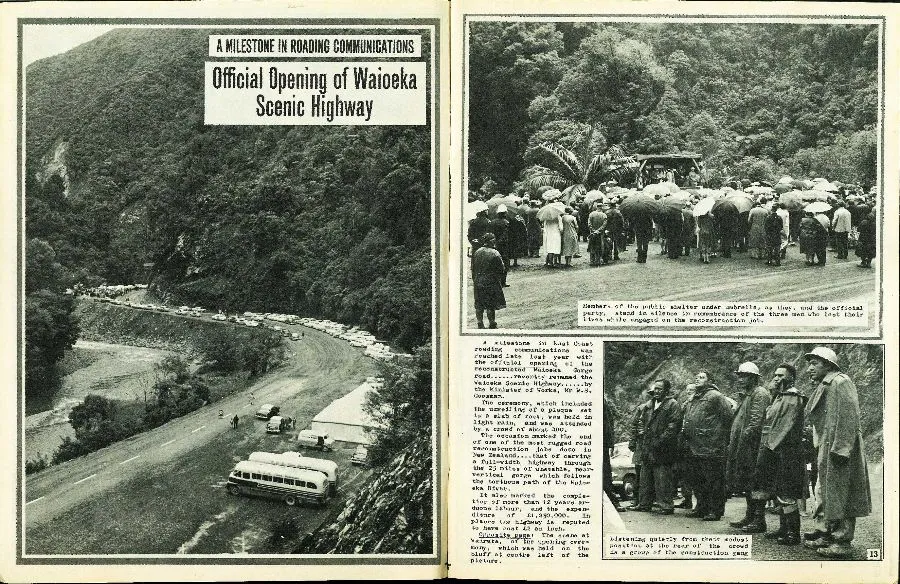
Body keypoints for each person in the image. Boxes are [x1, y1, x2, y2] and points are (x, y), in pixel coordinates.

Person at [802, 347, 872, 559]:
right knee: (827, 491)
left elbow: (849, 417)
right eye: (809, 363)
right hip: (828, 444)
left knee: (844, 493)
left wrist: (841, 448)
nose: (810, 368)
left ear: (828, 364)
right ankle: (829, 534)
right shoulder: (827, 384)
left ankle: (842, 542)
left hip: (840, 447)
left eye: (815, 363)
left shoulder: (841, 382)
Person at [746, 363, 807, 544]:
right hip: (776, 450)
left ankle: (792, 534)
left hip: (787, 452)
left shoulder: (792, 398)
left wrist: (769, 450)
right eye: (775, 375)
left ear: (791, 378)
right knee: (779, 490)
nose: (777, 378)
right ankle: (783, 529)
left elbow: (783, 428)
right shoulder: (779, 397)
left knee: (787, 491)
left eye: (781, 375)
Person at [681, 371, 734, 520]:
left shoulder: (716, 396)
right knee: (698, 479)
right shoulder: (695, 397)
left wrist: (717, 436)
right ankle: (702, 507)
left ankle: (715, 510)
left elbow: (729, 417)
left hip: (711, 446)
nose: (697, 379)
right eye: (696, 377)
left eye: (702, 377)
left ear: (710, 381)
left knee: (714, 480)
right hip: (694, 446)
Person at [726, 362, 772, 529]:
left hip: (753, 447)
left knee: (755, 481)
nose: (740, 379)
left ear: (753, 378)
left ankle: (759, 519)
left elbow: (756, 423)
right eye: (739, 376)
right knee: (747, 482)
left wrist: (743, 443)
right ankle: (750, 516)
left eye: (744, 376)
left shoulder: (759, 394)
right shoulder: (747, 395)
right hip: (744, 446)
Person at [635, 379, 683, 515]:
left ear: (667, 391)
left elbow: (673, 427)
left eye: (660, 389)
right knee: (645, 477)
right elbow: (641, 421)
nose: (656, 391)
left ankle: (666, 505)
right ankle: (644, 504)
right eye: (655, 389)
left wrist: (659, 441)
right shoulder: (649, 405)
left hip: (664, 448)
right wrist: (642, 434)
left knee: (662, 478)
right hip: (647, 446)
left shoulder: (673, 405)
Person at [471, 232, 506, 329]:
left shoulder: (477, 252)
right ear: (492, 241)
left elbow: (473, 268)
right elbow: (501, 269)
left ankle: (480, 323)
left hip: (478, 281)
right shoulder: (495, 253)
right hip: (490, 281)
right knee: (490, 304)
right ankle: (492, 322)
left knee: (479, 303)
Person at [627, 391, 652, 509]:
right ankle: (637, 500)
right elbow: (634, 426)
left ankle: (647, 500)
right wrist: (632, 442)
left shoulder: (660, 407)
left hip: (652, 445)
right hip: (641, 445)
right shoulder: (642, 408)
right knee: (639, 474)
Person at [491, 206, 511, 285]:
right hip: (504, 246)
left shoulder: (492, 222)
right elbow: (507, 235)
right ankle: (503, 281)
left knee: (495, 263)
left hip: (494, 245)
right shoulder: (506, 223)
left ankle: (496, 281)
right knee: (504, 262)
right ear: (504, 213)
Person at [587, 202, 608, 266]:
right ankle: (598, 260)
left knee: (591, 246)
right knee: (599, 247)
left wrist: (593, 230)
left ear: (596, 207)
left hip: (592, 233)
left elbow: (589, 224)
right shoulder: (604, 215)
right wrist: (598, 231)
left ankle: (591, 261)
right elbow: (604, 225)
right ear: (601, 207)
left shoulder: (591, 214)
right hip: (600, 234)